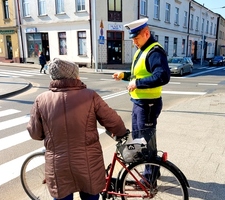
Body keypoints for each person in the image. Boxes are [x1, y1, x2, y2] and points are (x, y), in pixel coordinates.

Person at [27, 58, 127, 200]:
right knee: (90, 195)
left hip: (58, 166)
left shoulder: (41, 100)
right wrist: (122, 132)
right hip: (88, 164)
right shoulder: (90, 96)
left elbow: (35, 133)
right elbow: (113, 121)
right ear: (74, 76)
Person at [112, 18, 170, 185]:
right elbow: (140, 74)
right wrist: (124, 76)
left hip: (148, 105)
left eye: (136, 38)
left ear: (146, 33)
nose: (134, 42)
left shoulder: (154, 51)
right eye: (133, 39)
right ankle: (154, 170)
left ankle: (149, 179)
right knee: (142, 139)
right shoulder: (142, 50)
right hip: (140, 103)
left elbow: (162, 76)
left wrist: (137, 83)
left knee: (145, 142)